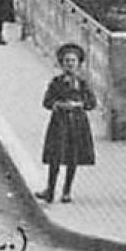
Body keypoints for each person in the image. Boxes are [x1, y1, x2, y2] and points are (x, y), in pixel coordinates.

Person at [36, 43, 97, 204]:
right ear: (62, 64)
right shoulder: (56, 82)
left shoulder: (83, 83)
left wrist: (78, 105)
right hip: (59, 122)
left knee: (73, 156)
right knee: (55, 156)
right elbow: (47, 102)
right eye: (67, 61)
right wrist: (58, 105)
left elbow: (92, 103)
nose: (70, 64)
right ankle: (50, 189)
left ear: (78, 64)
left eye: (73, 61)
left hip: (77, 123)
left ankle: (67, 191)